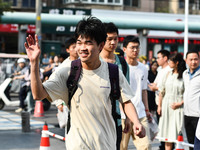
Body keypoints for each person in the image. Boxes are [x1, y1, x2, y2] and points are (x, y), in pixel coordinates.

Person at [24, 16, 145, 150]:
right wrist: (34, 63)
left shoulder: (113, 72)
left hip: (106, 145)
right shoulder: (67, 72)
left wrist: (136, 122)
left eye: (88, 43)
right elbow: (38, 95)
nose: (82, 48)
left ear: (100, 45)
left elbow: (126, 101)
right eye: (79, 43)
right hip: (78, 145)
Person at [99, 22, 130, 150]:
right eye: (109, 39)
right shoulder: (93, 61)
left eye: (115, 39)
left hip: (115, 120)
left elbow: (126, 94)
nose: (113, 43)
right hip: (96, 119)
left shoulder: (122, 63)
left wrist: (128, 117)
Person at [121, 35, 152, 150]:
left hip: (140, 113)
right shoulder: (119, 67)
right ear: (124, 49)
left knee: (146, 146)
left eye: (137, 48)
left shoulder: (143, 68)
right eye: (132, 47)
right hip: (123, 115)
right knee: (121, 147)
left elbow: (143, 90)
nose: (135, 50)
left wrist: (147, 110)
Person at [157, 53, 186, 150]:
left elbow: (187, 93)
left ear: (177, 62)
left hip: (178, 108)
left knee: (178, 135)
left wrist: (180, 103)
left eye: (170, 60)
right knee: (167, 136)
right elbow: (162, 91)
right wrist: (159, 106)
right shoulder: (168, 73)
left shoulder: (184, 75)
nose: (168, 62)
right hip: (166, 107)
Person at [148, 49, 171, 150]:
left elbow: (165, 87)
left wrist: (154, 88)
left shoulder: (169, 70)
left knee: (166, 126)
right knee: (161, 126)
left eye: (158, 58)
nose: (157, 60)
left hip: (165, 103)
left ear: (165, 58)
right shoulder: (160, 70)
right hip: (158, 101)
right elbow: (156, 84)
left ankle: (166, 146)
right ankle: (163, 145)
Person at [183, 50, 200, 150]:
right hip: (187, 114)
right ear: (186, 61)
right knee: (190, 143)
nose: (193, 62)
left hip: (198, 115)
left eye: (196, 59)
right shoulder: (185, 74)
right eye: (191, 59)